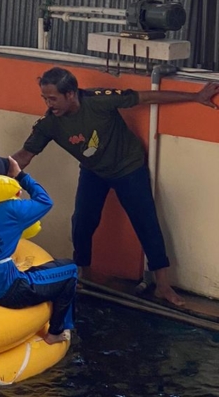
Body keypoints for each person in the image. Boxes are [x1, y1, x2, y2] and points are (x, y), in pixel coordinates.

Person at [12, 67, 219, 307]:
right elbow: (25, 155)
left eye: (53, 98)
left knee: (146, 222)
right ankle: (84, 276)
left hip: (128, 167)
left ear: (70, 94)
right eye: (44, 99)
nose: (49, 104)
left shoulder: (99, 100)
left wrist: (195, 96)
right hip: (94, 171)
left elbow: (147, 97)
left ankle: (163, 286)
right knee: (82, 222)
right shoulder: (49, 124)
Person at [0, 155, 76, 344]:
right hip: (5, 291)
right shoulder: (12, 209)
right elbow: (45, 201)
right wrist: (21, 175)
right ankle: (55, 332)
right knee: (70, 270)